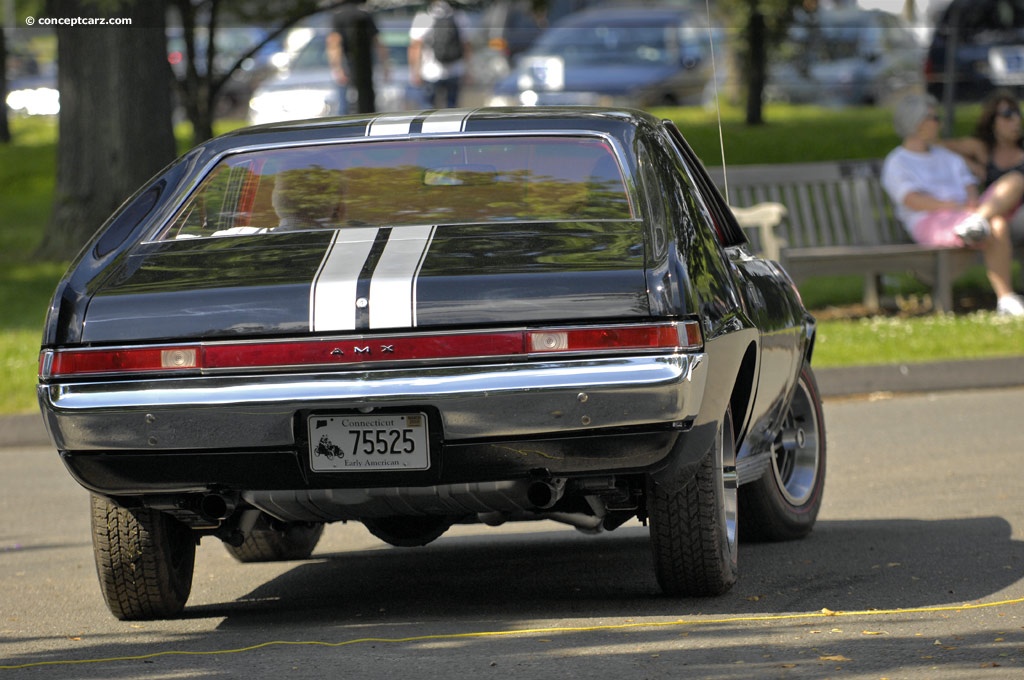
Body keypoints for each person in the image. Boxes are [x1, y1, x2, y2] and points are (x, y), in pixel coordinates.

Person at [881, 93, 1024, 316]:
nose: (938, 121)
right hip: (931, 221)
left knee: (1015, 181)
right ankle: (1005, 297)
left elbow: (969, 186)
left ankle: (1005, 298)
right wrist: (954, 207)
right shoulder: (897, 161)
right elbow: (912, 200)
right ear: (916, 122)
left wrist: (971, 206)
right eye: (933, 117)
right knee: (997, 224)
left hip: (968, 214)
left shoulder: (947, 157)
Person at [940, 88, 1024, 243]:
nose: (1015, 120)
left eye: (1017, 113)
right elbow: (939, 145)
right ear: (992, 121)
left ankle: (975, 223)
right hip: (1004, 216)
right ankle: (975, 222)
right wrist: (969, 163)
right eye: (1007, 115)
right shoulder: (983, 149)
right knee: (1016, 180)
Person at [327, 0, 390, 115]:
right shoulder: (365, 14)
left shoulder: (339, 16)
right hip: (366, 64)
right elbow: (378, 42)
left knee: (343, 104)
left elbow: (334, 43)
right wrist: (385, 65)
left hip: (347, 62)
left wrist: (337, 67)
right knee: (367, 99)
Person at [408, 0, 472, 109]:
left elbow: (415, 47)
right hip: (455, 70)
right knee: (452, 110)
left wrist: (415, 72)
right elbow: (466, 46)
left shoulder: (423, 17)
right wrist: (468, 70)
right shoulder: (459, 16)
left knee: (427, 110)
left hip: (430, 72)